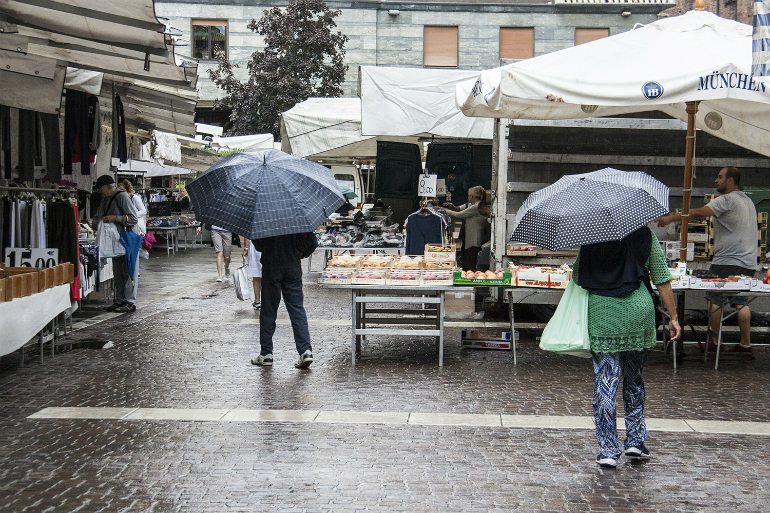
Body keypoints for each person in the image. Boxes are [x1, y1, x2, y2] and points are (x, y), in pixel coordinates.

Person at [573, 226, 681, 468]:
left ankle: (609, 450)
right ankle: (635, 440)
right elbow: (661, 276)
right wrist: (673, 316)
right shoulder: (644, 234)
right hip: (637, 311)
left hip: (602, 313)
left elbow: (578, 275)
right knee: (635, 377)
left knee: (605, 379)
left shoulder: (591, 234)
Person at [657, 167, 758, 354]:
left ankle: (714, 341)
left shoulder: (726, 200)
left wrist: (671, 218)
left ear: (730, 181)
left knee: (715, 299)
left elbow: (698, 212)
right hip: (748, 261)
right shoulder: (748, 201)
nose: (716, 180)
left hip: (727, 260)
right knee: (741, 301)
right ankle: (746, 344)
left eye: (720, 177)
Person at [250, 233, 313, 369]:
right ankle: (305, 351)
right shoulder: (296, 217)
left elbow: (258, 244)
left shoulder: (266, 218)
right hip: (292, 265)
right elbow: (312, 242)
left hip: (271, 265)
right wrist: (299, 253)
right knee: (296, 309)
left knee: (268, 310)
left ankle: (266, 353)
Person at [92, 174, 139, 313]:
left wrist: (115, 218)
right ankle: (119, 301)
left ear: (108, 187)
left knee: (129, 270)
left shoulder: (122, 197)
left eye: (101, 189)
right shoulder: (104, 200)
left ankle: (130, 302)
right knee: (117, 272)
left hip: (127, 239)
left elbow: (133, 218)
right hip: (114, 241)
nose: (100, 192)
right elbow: (97, 218)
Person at [439, 185, 489, 271]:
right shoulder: (476, 205)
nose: (468, 197)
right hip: (474, 239)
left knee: (470, 264)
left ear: (472, 196)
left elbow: (459, 215)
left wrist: (443, 210)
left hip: (474, 240)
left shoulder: (476, 206)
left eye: (469, 195)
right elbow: (459, 210)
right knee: (470, 263)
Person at [239, 235, 263, 310]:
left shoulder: (253, 222)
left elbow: (248, 234)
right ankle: (267, 299)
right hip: (269, 245)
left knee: (256, 274)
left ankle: (257, 300)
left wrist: (246, 248)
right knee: (267, 274)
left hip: (255, 246)